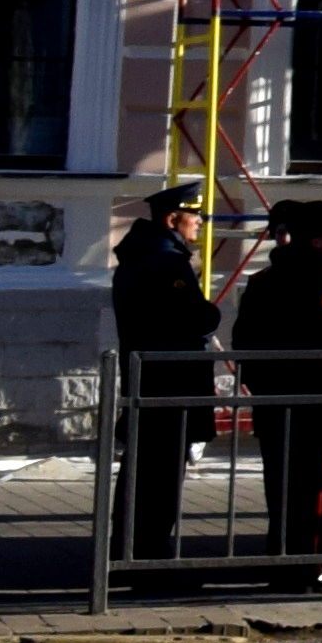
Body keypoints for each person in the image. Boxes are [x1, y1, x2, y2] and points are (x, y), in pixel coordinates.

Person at [231, 197, 322, 569]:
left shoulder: (265, 279)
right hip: (317, 405)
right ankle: (311, 566)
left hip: (275, 403)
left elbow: (244, 342)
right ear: (317, 241)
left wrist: (262, 386)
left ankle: (282, 561)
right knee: (316, 489)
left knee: (281, 486)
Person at [107, 187, 217, 573]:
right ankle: (148, 559)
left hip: (151, 380)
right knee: (160, 477)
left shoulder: (142, 254)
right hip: (169, 383)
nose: (201, 223)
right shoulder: (165, 261)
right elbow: (195, 317)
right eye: (194, 216)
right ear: (172, 219)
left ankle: (129, 552)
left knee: (143, 471)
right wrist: (211, 315)